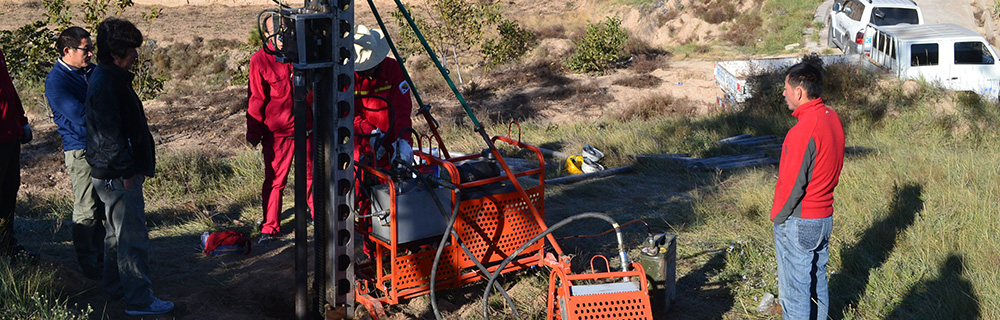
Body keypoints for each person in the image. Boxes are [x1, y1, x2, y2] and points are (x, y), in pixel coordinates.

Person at [85, 18, 173, 316]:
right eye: (131, 50)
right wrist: (126, 171)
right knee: (131, 238)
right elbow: (109, 136)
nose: (136, 54)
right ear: (115, 53)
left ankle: (116, 290)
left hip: (110, 173)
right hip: (117, 175)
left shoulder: (110, 78)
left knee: (115, 236)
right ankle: (140, 301)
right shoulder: (107, 84)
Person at [770, 58, 844, 320]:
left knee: (795, 291)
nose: (784, 93)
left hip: (801, 221)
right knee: (817, 283)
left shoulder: (802, 131)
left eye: (786, 88)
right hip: (824, 217)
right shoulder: (831, 118)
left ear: (799, 92)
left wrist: (777, 218)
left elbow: (792, 186)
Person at [246, 15, 314, 243]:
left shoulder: (300, 53)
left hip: (305, 129)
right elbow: (256, 98)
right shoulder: (260, 60)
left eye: (285, 30)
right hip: (278, 134)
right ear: (266, 35)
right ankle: (270, 226)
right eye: (276, 31)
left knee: (312, 175)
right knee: (275, 180)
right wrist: (253, 132)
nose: (282, 36)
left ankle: (316, 216)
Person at [45, 26, 105, 279]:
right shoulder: (57, 80)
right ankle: (88, 263)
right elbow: (80, 116)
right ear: (67, 50)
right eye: (86, 49)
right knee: (87, 208)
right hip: (80, 149)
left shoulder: (92, 71)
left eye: (92, 48)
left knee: (105, 205)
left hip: (103, 146)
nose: (91, 53)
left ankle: (105, 258)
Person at [352, 25, 413, 257]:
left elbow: (402, 109)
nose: (367, 72)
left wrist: (402, 143)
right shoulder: (350, 78)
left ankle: (401, 248)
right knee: (369, 199)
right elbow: (348, 113)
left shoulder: (394, 70)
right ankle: (374, 253)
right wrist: (370, 133)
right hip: (364, 147)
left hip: (393, 145)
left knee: (400, 196)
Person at [0, 47, 33, 260]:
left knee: (9, 190)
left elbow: (8, 89)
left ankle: (6, 245)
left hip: (10, 134)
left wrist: (21, 120)